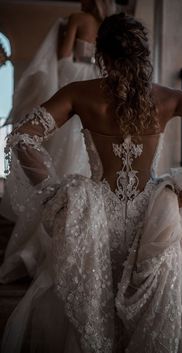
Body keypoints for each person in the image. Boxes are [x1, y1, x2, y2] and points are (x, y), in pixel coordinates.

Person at [1, 13, 182, 353]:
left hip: (94, 218)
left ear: (101, 55)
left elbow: (23, 136)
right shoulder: (167, 98)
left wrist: (54, 191)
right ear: (143, 56)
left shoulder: (79, 93)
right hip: (153, 218)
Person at [0, 0, 115, 282]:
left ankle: (42, 247)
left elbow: (63, 60)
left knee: (61, 160)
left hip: (76, 82)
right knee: (89, 161)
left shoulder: (77, 18)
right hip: (100, 85)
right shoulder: (108, 28)